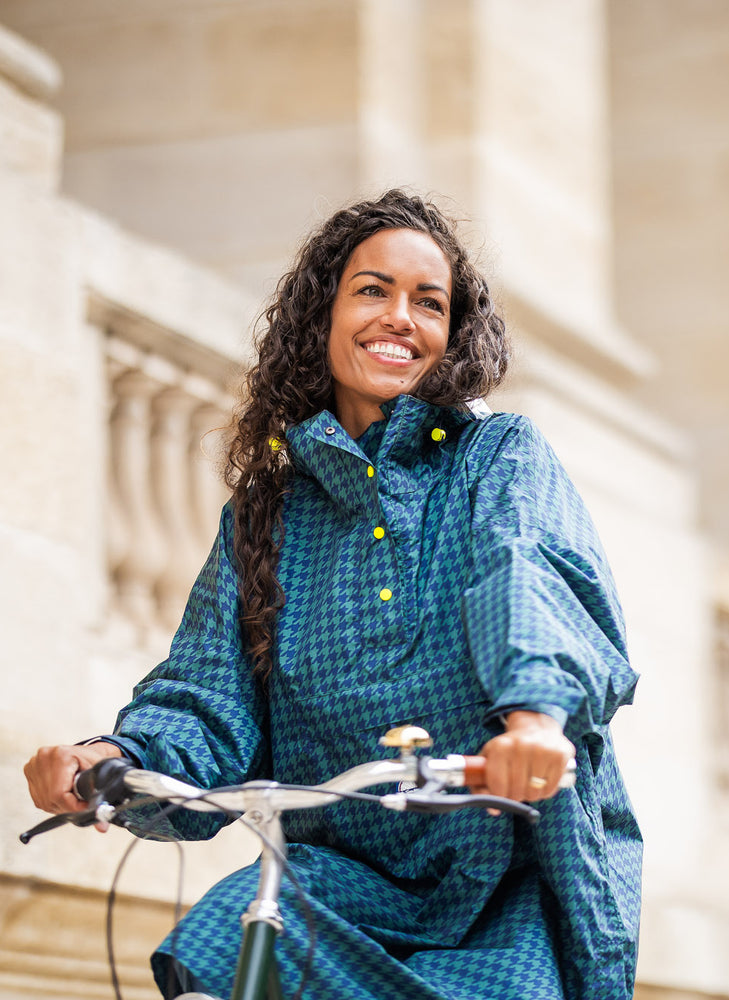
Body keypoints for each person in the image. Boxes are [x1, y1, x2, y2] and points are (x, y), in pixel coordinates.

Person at [24, 189, 641, 1000]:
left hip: (501, 878)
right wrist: (113, 761)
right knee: (224, 948)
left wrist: (533, 722)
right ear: (323, 313)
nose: (400, 317)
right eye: (373, 290)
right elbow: (208, 697)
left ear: (452, 334)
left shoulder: (497, 457)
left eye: (430, 302)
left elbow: (526, 574)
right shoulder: (267, 515)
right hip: (336, 876)